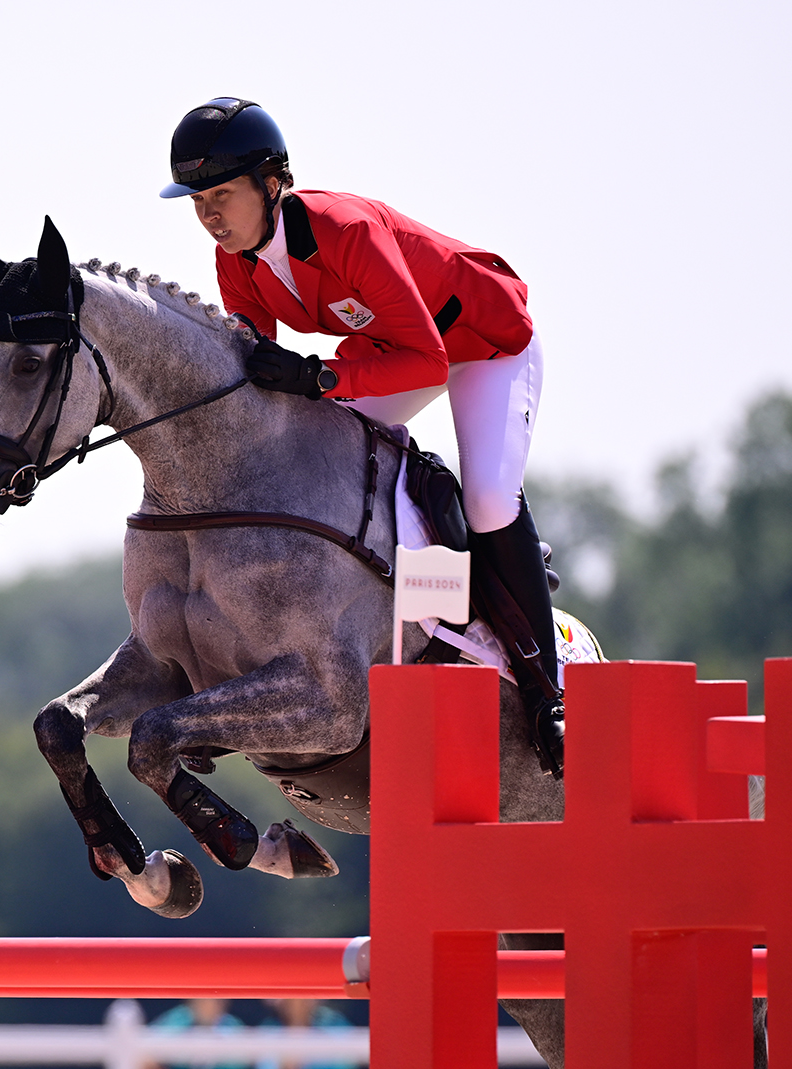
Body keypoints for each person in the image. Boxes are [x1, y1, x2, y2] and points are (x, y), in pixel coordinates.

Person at [159, 96, 564, 776]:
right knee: (327, 460)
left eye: (221, 195)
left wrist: (318, 378)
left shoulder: (345, 231)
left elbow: (430, 360)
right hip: (386, 346)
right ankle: (429, 601)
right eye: (198, 200)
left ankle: (546, 689)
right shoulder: (237, 264)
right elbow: (262, 373)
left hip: (485, 343)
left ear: (272, 183)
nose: (209, 215)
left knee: (491, 496)